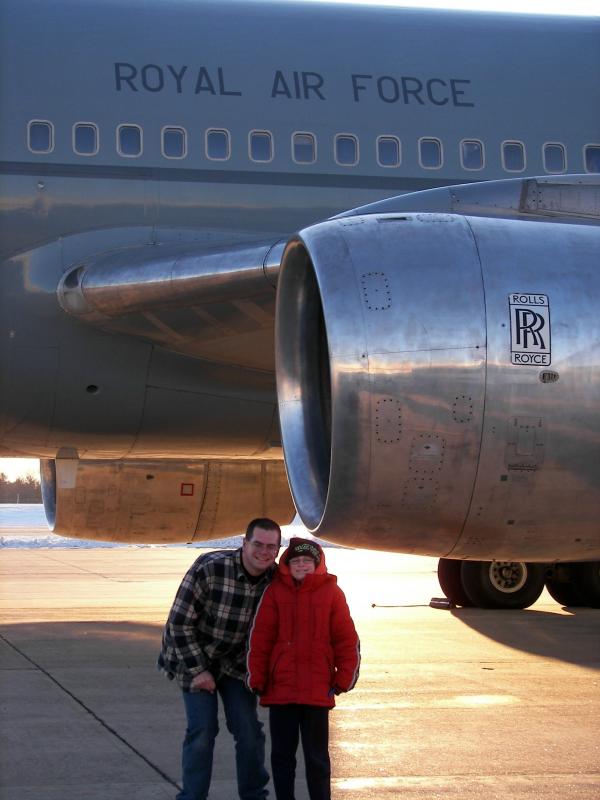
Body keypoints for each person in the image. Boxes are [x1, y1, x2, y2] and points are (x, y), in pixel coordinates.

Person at [158, 517, 282, 800]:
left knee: (248, 730)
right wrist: (199, 671)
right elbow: (179, 624)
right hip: (191, 655)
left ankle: (254, 795)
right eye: (258, 544)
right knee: (203, 729)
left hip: (235, 664)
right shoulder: (210, 567)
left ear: (277, 550)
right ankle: (192, 796)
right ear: (244, 543)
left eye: (271, 547)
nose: (264, 552)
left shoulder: (276, 580)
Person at [246, 537, 360, 800]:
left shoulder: (332, 593)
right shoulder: (275, 592)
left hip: (317, 692)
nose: (301, 566)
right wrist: (258, 677)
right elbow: (260, 638)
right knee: (282, 758)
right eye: (295, 561)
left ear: (317, 564)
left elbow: (346, 639)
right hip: (281, 691)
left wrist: (343, 679)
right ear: (287, 565)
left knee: (317, 759)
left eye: (307, 561)